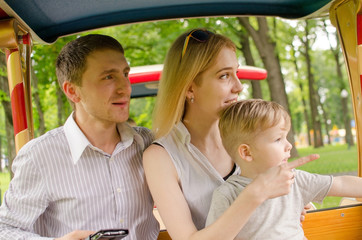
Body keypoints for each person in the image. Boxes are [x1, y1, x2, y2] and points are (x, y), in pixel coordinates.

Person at [143, 28, 317, 240]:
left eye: (236, 73)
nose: (239, 86)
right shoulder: (160, 156)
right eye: (224, 76)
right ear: (189, 88)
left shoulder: (251, 134)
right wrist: (256, 194)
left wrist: (287, 204)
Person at [0, 34, 159, 240]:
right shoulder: (39, 156)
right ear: (73, 91)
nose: (125, 88)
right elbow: (4, 229)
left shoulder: (147, 143)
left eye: (125, 74)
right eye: (109, 77)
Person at [206, 99, 362, 239]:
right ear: (247, 152)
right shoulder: (227, 194)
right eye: (278, 139)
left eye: (286, 137)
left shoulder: (294, 178)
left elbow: (340, 184)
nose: (289, 145)